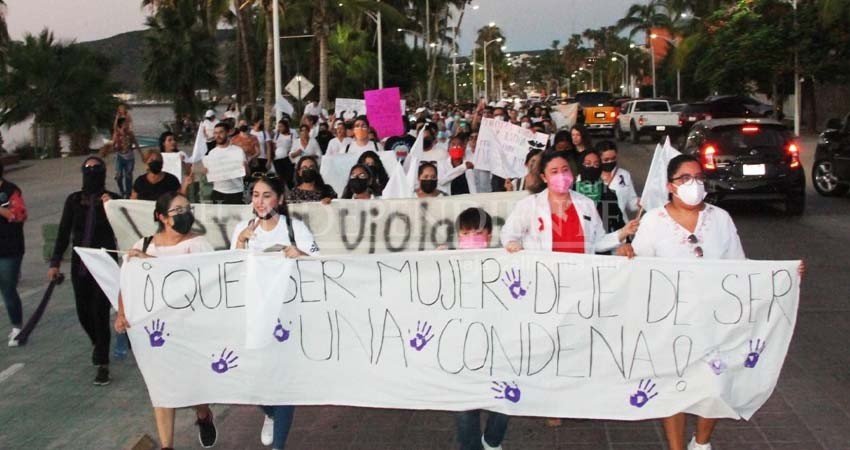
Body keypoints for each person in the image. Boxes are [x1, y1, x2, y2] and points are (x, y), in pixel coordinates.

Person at [113, 192, 218, 450]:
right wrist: (122, 313)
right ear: (161, 217)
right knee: (161, 388)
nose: (185, 215)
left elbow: (208, 281)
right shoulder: (145, 244)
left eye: (187, 209)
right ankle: (166, 446)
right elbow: (128, 282)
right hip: (155, 330)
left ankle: (203, 415)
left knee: (191, 385)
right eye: (178, 211)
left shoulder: (199, 245)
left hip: (189, 326)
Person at [231, 175, 319, 450]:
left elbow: (320, 265)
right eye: (256, 195)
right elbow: (229, 272)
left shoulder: (296, 228)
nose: (260, 201)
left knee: (283, 380)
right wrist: (240, 245)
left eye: (266, 195)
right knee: (250, 376)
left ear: (279, 199)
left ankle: (279, 444)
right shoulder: (242, 229)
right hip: (254, 314)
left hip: (288, 315)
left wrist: (300, 255)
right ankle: (269, 412)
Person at [48, 157, 119, 385]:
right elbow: (63, 232)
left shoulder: (113, 199)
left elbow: (124, 227)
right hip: (80, 265)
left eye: (96, 169)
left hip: (104, 262)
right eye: (87, 168)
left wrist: (112, 208)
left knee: (99, 312)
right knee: (83, 312)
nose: (92, 172)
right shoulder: (74, 201)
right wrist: (55, 262)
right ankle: (98, 343)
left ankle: (103, 363)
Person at [500, 151, 637, 255]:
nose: (561, 175)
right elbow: (509, 234)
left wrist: (623, 232)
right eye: (554, 172)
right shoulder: (529, 205)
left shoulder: (586, 204)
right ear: (544, 177)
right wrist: (512, 244)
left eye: (565, 170)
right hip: (545, 278)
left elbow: (597, 242)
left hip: (581, 278)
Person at [451, 208, 510, 450]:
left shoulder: (504, 261)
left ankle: (492, 441)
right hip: (460, 349)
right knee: (465, 410)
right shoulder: (446, 263)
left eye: (477, 232)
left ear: (489, 234)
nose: (471, 237)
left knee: (507, 402)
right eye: (466, 233)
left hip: (499, 347)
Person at [0, 160, 27, 347]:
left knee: (8, 288)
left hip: (9, 248)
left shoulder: (11, 190)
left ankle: (17, 326)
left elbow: (17, 215)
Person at [574, 150, 625, 236]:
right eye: (587, 164)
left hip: (602, 243)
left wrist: (626, 241)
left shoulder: (608, 195)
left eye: (596, 165)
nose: (592, 168)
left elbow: (618, 224)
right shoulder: (570, 192)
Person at [199, 122, 248, 205]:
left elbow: (246, 174)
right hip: (218, 192)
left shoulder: (238, 151)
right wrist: (205, 172)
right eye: (215, 133)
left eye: (221, 132)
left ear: (228, 133)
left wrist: (246, 168)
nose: (218, 135)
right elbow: (208, 176)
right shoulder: (211, 153)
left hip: (235, 192)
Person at [597, 140, 640, 220]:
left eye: (613, 158)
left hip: (620, 226)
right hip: (598, 227)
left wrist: (641, 202)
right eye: (606, 160)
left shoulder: (624, 175)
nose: (610, 162)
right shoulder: (586, 178)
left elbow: (631, 204)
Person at [112, 117, 142, 199]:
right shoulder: (117, 135)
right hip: (120, 157)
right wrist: (112, 149)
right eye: (126, 123)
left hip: (130, 158)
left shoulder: (130, 134)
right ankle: (122, 191)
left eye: (127, 123)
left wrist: (142, 155)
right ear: (121, 125)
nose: (128, 125)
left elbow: (136, 144)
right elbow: (112, 145)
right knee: (119, 176)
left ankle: (128, 193)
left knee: (128, 176)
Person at [272, 120, 294, 188]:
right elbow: (274, 145)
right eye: (279, 127)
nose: (279, 128)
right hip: (277, 159)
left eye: (281, 126)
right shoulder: (277, 135)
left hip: (287, 159)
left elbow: (294, 146)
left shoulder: (291, 135)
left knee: (289, 178)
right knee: (280, 178)